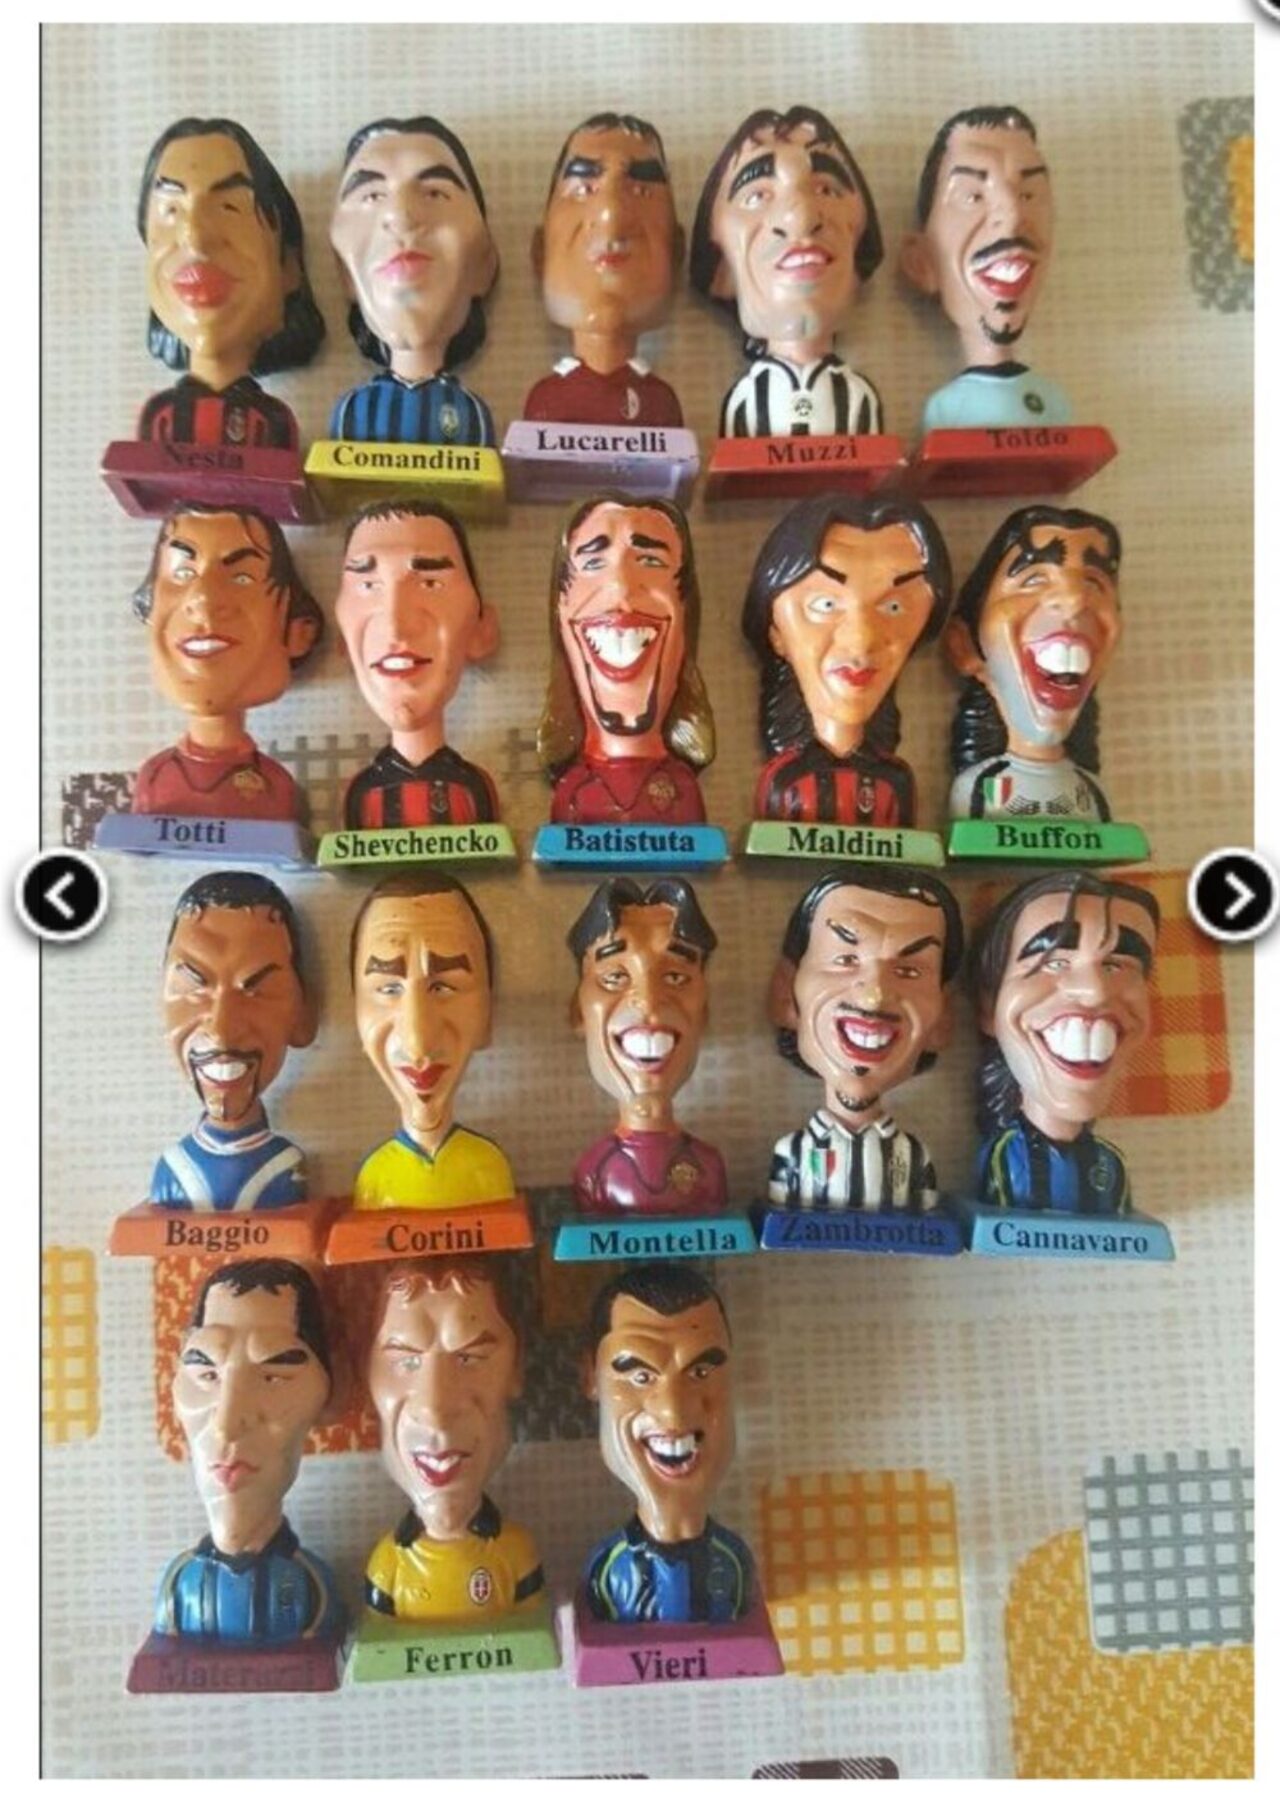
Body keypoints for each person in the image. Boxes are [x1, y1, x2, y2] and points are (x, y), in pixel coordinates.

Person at [155, 1259, 339, 1643]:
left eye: (274, 1377)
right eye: (206, 1374)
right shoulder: (179, 1583)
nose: (226, 1424)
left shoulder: (311, 1585)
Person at [741, 494, 952, 825]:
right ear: (775, 631)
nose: (861, 641)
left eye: (893, 607)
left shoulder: (896, 781)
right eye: (825, 605)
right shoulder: (788, 778)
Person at [767, 868, 962, 1212]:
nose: (874, 997)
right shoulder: (792, 1151)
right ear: (786, 994)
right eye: (845, 960)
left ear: (943, 1017)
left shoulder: (915, 1155)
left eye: (909, 971)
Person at [364, 1258, 544, 1624]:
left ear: (517, 1368)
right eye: (405, 1361)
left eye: (470, 1357)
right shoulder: (388, 1563)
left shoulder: (515, 1553)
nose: (435, 1410)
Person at [970, 871, 1159, 1212]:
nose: (1094, 992)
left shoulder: (1110, 1163)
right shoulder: (1007, 1154)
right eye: (1054, 962)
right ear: (989, 1006)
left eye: (1116, 966)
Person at [689, 106, 884, 438]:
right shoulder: (746, 399)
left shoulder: (857, 397)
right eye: (757, 196)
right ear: (721, 267)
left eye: (826, 189)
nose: (801, 217)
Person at [582, 1264, 756, 1626]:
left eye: (700, 1373)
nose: (674, 1414)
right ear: (591, 1378)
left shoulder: (734, 1562)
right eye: (640, 1376)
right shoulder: (609, 1568)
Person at [136, 117, 324, 447]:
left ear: (289, 267)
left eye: (229, 206)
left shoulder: (272, 419)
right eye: (170, 210)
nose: (195, 237)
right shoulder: (159, 416)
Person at [129, 503, 323, 823]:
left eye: (242, 578)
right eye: (183, 573)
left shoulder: (275, 786)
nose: (203, 598)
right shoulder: (155, 778)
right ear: (148, 609)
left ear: (298, 631)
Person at [536, 495, 714, 824]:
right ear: (560, 610)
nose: (621, 589)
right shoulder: (573, 790)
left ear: (686, 611)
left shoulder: (683, 789)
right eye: (593, 563)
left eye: (651, 561)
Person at [328, 116, 498, 446]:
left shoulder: (470, 412)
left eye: (435, 193)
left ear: (484, 263)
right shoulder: (353, 411)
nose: (401, 216)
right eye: (372, 196)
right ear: (344, 272)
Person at [899, 106, 1070, 431]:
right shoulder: (946, 408)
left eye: (1028, 194)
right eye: (973, 197)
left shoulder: (1052, 400)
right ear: (922, 263)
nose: (1012, 218)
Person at [349, 872, 514, 1208]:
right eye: (389, 988)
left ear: (487, 1013)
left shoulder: (486, 1165)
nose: (418, 1044)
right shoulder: (375, 1173)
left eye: (443, 987)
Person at [945, 506, 1121, 821]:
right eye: (1034, 578)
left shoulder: (1092, 792)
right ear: (965, 646)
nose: (1074, 600)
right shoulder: (984, 787)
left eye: (1094, 582)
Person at [152, 873, 316, 1210]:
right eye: (194, 987)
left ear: (303, 1014)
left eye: (258, 989)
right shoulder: (173, 1168)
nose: (222, 1032)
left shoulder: (285, 1168)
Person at [335, 499, 501, 829]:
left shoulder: (471, 785)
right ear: (341, 637)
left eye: (430, 583)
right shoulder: (362, 791)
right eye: (368, 586)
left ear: (482, 629)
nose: (395, 627)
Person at [568, 877, 725, 1216]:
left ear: (704, 1012)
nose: (650, 1004)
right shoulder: (594, 1169)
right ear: (578, 1012)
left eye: (675, 977)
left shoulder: (708, 1166)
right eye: (614, 977)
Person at [523, 112, 684, 427]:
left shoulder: (659, 401)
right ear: (540, 252)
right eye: (584, 189)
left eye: (641, 191)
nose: (611, 215)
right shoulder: (547, 398)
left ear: (677, 254)